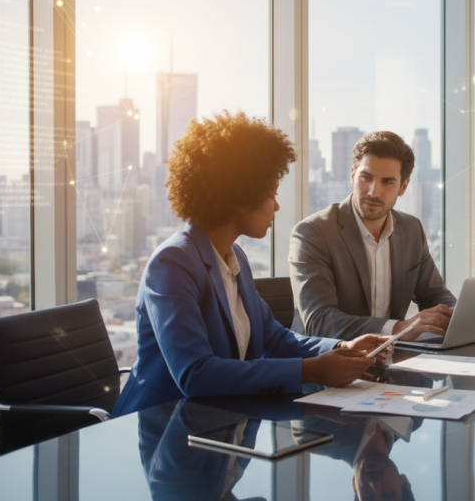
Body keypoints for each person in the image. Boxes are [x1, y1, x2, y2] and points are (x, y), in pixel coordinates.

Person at [113, 112, 388, 417]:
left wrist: (339, 349)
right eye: (271, 194)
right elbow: (195, 374)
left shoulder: (234, 257)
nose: (277, 205)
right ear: (241, 196)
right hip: (166, 429)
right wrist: (310, 371)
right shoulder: (172, 264)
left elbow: (273, 337)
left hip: (221, 426)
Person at [289, 131, 456, 342]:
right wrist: (400, 328)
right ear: (352, 175)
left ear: (403, 187)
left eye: (387, 182)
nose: (373, 192)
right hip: (326, 364)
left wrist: (457, 315)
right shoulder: (313, 233)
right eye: (366, 177)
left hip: (390, 363)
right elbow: (319, 321)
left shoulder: (411, 229)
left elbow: (434, 295)